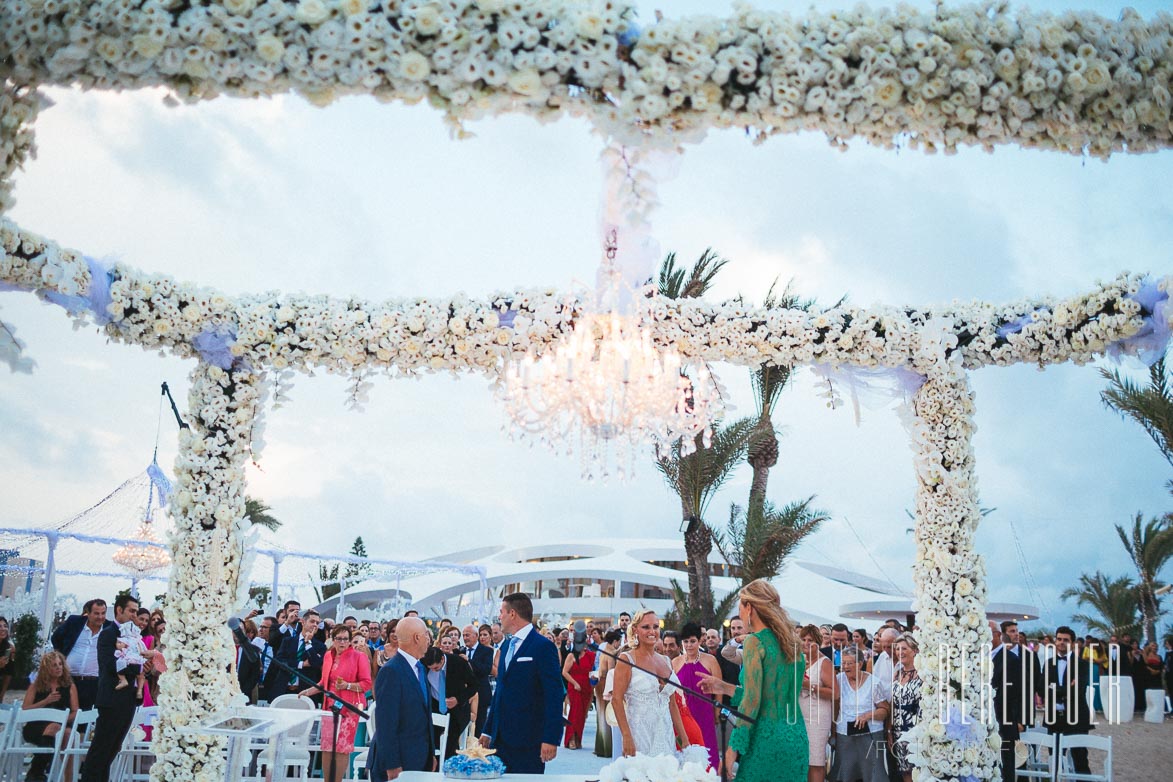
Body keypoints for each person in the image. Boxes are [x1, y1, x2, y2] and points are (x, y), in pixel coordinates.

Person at [696, 580, 807, 782]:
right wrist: (723, 687)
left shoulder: (755, 642)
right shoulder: (793, 644)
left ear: (750, 607)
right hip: (796, 738)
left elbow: (752, 701)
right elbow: (769, 696)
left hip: (766, 740)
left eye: (740, 606)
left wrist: (732, 750)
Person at [480, 592, 564, 773]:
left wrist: (551, 737)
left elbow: (554, 694)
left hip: (529, 739)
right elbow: (500, 691)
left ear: (512, 614)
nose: (499, 616)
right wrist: (488, 730)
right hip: (500, 739)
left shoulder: (543, 646)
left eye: (501, 612)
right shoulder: (506, 646)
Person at [610, 609, 690, 757]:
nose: (652, 631)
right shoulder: (626, 659)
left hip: (665, 733)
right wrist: (626, 736)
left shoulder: (666, 660)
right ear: (635, 630)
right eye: (646, 627)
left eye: (655, 626)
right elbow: (616, 700)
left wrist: (684, 739)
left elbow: (672, 704)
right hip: (639, 734)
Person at [299, 625, 372, 782]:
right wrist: (308, 692)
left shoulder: (359, 657)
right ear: (333, 639)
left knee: (341, 748)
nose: (343, 642)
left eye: (346, 639)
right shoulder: (328, 656)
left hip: (348, 708)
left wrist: (347, 685)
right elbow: (324, 682)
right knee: (327, 746)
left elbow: (367, 684)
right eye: (339, 639)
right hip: (329, 707)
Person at [81, 593, 141, 782]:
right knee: (101, 747)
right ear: (119, 610)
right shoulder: (108, 633)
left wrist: (143, 665)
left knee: (113, 748)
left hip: (127, 699)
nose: (134, 615)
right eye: (131, 611)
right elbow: (109, 664)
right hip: (112, 698)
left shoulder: (133, 635)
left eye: (136, 612)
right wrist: (137, 666)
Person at [369, 616, 435, 779]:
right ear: (417, 638)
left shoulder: (419, 668)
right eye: (426, 634)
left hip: (419, 759)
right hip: (398, 764)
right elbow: (386, 723)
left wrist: (430, 754)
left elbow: (425, 716)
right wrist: (392, 765)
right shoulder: (391, 671)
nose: (429, 639)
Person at [828, 645, 889, 782]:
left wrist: (867, 715)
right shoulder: (838, 679)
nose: (845, 666)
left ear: (860, 663)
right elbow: (835, 707)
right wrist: (833, 731)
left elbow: (884, 710)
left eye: (849, 663)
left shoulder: (874, 682)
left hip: (870, 734)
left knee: (873, 774)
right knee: (845, 773)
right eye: (843, 663)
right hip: (845, 734)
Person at [991, 620, 1040, 782]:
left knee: (1011, 761)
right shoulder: (986, 656)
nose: (1016, 634)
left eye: (1016, 631)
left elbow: (1026, 688)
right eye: (1012, 631)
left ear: (998, 635)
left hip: (1011, 716)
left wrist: (1019, 717)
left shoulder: (1017, 658)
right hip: (990, 720)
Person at [1041, 626, 1094, 775]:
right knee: (1055, 759)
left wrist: (1053, 689)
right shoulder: (1048, 663)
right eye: (1059, 639)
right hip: (1054, 718)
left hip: (1077, 717)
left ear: (1072, 643)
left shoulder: (1082, 665)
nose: (1061, 642)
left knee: (1080, 759)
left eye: (1065, 640)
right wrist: (1065, 689)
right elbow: (1041, 689)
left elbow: (1079, 690)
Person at [22, 651, 79, 782]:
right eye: (54, 665)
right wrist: (45, 701)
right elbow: (24, 710)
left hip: (61, 725)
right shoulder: (36, 686)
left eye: (60, 664)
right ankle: (37, 772)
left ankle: (66, 778)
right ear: (47, 668)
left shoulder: (69, 686)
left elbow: (75, 711)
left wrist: (63, 720)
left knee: (69, 734)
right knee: (53, 727)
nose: (58, 667)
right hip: (36, 726)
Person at [672, 622, 722, 769]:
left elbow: (718, 688)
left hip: (705, 712)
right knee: (684, 752)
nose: (689, 645)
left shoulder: (710, 660)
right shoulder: (675, 662)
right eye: (685, 641)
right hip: (683, 715)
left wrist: (717, 713)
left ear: (700, 640)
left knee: (708, 750)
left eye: (692, 641)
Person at [51, 598, 115, 710]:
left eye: (103, 613)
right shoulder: (75, 622)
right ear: (88, 613)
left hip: (93, 682)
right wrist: (61, 657)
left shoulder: (110, 629)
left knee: (85, 716)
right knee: (63, 712)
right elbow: (56, 638)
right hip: (69, 679)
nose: (100, 617)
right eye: (96, 613)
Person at [422, 644, 478, 759]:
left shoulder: (458, 662)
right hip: (435, 707)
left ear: (442, 659)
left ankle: (449, 766)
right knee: (430, 740)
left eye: (436, 668)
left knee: (449, 743)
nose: (433, 671)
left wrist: (458, 700)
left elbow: (474, 685)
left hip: (458, 711)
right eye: (431, 668)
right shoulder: (424, 664)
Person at [798, 624, 835, 782]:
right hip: (800, 716)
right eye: (804, 639)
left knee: (816, 761)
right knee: (803, 759)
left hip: (817, 718)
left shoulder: (824, 663)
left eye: (811, 640)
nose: (806, 643)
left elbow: (835, 693)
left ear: (818, 642)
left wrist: (808, 686)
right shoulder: (799, 661)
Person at [888, 634, 921, 782]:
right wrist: (889, 730)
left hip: (916, 729)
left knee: (918, 769)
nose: (900, 652)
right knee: (904, 771)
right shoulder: (896, 674)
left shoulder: (923, 675)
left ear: (914, 651)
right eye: (897, 649)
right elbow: (892, 703)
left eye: (904, 648)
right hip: (898, 730)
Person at [276, 609, 325, 700]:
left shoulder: (320, 646)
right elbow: (279, 661)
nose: (315, 625)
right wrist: (301, 664)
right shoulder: (288, 641)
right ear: (303, 622)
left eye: (317, 623)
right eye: (312, 621)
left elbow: (316, 663)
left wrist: (307, 643)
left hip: (306, 692)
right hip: (283, 689)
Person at [561, 639, 595, 750]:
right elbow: (564, 672)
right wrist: (575, 683)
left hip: (587, 687)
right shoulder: (571, 656)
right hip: (575, 686)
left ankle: (578, 738)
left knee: (582, 715)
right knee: (575, 713)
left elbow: (594, 669)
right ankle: (571, 738)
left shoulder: (590, 655)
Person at [594, 628, 621, 759]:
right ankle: (607, 749)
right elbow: (612, 672)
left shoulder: (604, 651)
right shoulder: (610, 654)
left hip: (600, 683)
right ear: (615, 641)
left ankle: (601, 747)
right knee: (608, 717)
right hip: (606, 684)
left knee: (601, 717)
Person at [466, 625, 494, 737]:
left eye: (467, 635)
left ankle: (478, 752)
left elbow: (486, 669)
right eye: (463, 635)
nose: (465, 638)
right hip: (466, 696)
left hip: (481, 694)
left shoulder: (486, 651)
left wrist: (469, 661)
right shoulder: (461, 650)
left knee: (479, 728)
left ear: (475, 636)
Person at [0, 616, 13, 703]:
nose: (3, 629)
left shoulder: (8, 647)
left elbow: (9, 672)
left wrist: (2, 694)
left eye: (5, 626)